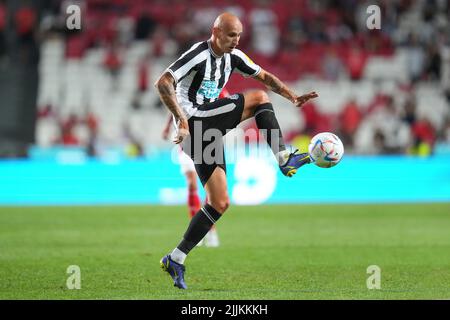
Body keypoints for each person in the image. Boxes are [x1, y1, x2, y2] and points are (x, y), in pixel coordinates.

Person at [155, 12, 318, 289]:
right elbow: (163, 82)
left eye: (239, 35)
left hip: (204, 136)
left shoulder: (235, 58)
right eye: (231, 35)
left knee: (219, 202)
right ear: (215, 31)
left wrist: (292, 96)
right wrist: (181, 119)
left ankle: (176, 258)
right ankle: (284, 157)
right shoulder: (197, 54)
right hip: (194, 123)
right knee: (258, 99)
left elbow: (265, 76)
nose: (235, 40)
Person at [160, 90, 232, 248]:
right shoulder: (187, 86)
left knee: (211, 191)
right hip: (187, 141)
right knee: (192, 185)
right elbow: (174, 106)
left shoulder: (218, 89)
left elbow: (229, 111)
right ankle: (196, 234)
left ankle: (210, 231)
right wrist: (167, 127)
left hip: (208, 143)